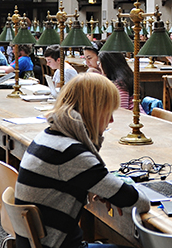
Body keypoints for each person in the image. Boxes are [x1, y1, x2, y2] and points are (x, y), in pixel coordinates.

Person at [15, 72, 150, 248]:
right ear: (93, 111)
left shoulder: (49, 136)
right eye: (108, 112)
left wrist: (102, 188)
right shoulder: (70, 152)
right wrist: (113, 190)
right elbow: (140, 203)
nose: (111, 120)